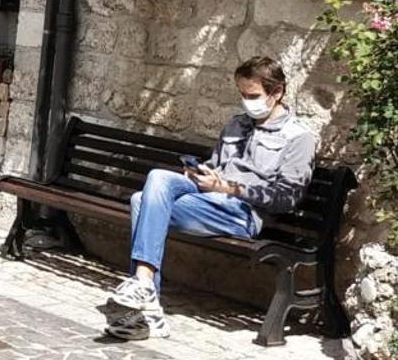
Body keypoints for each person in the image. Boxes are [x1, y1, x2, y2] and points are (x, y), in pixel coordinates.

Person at [102, 55, 316, 341]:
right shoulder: (235, 125)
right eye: (241, 94)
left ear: (277, 92)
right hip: (209, 199)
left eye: (252, 95)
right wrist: (201, 174)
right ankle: (145, 289)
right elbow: (217, 166)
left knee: (142, 202)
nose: (246, 101)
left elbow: (286, 198)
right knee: (152, 185)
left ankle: (145, 309)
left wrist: (227, 188)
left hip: (242, 213)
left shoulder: (298, 138)